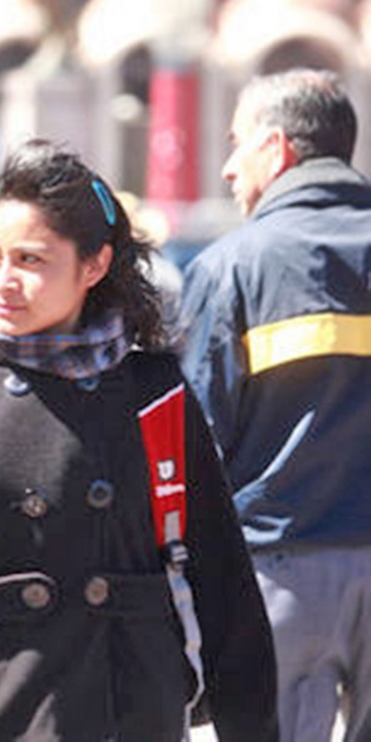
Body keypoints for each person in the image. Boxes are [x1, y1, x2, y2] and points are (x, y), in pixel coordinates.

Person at [0, 139, 277, 741]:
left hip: (127, 713)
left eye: (30, 261)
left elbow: (224, 588)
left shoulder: (155, 391)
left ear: (93, 265)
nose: (2, 282)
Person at [179, 68, 371, 742]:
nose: (229, 167)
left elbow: (195, 441)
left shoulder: (232, 267)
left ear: (279, 149)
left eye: (238, 143)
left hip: (279, 573)